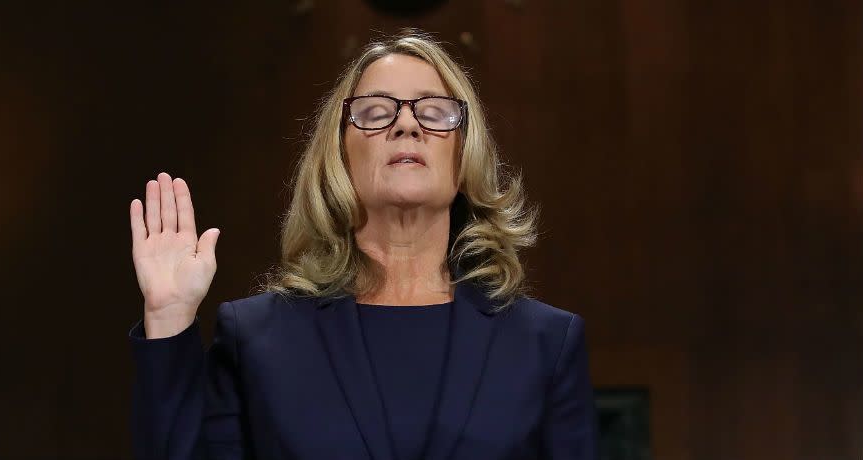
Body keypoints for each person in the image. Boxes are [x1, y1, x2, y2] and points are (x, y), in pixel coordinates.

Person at [127, 30, 598, 460]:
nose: (406, 125)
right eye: (375, 112)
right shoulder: (256, 339)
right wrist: (169, 317)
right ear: (340, 156)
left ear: (464, 153)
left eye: (434, 111)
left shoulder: (545, 344)